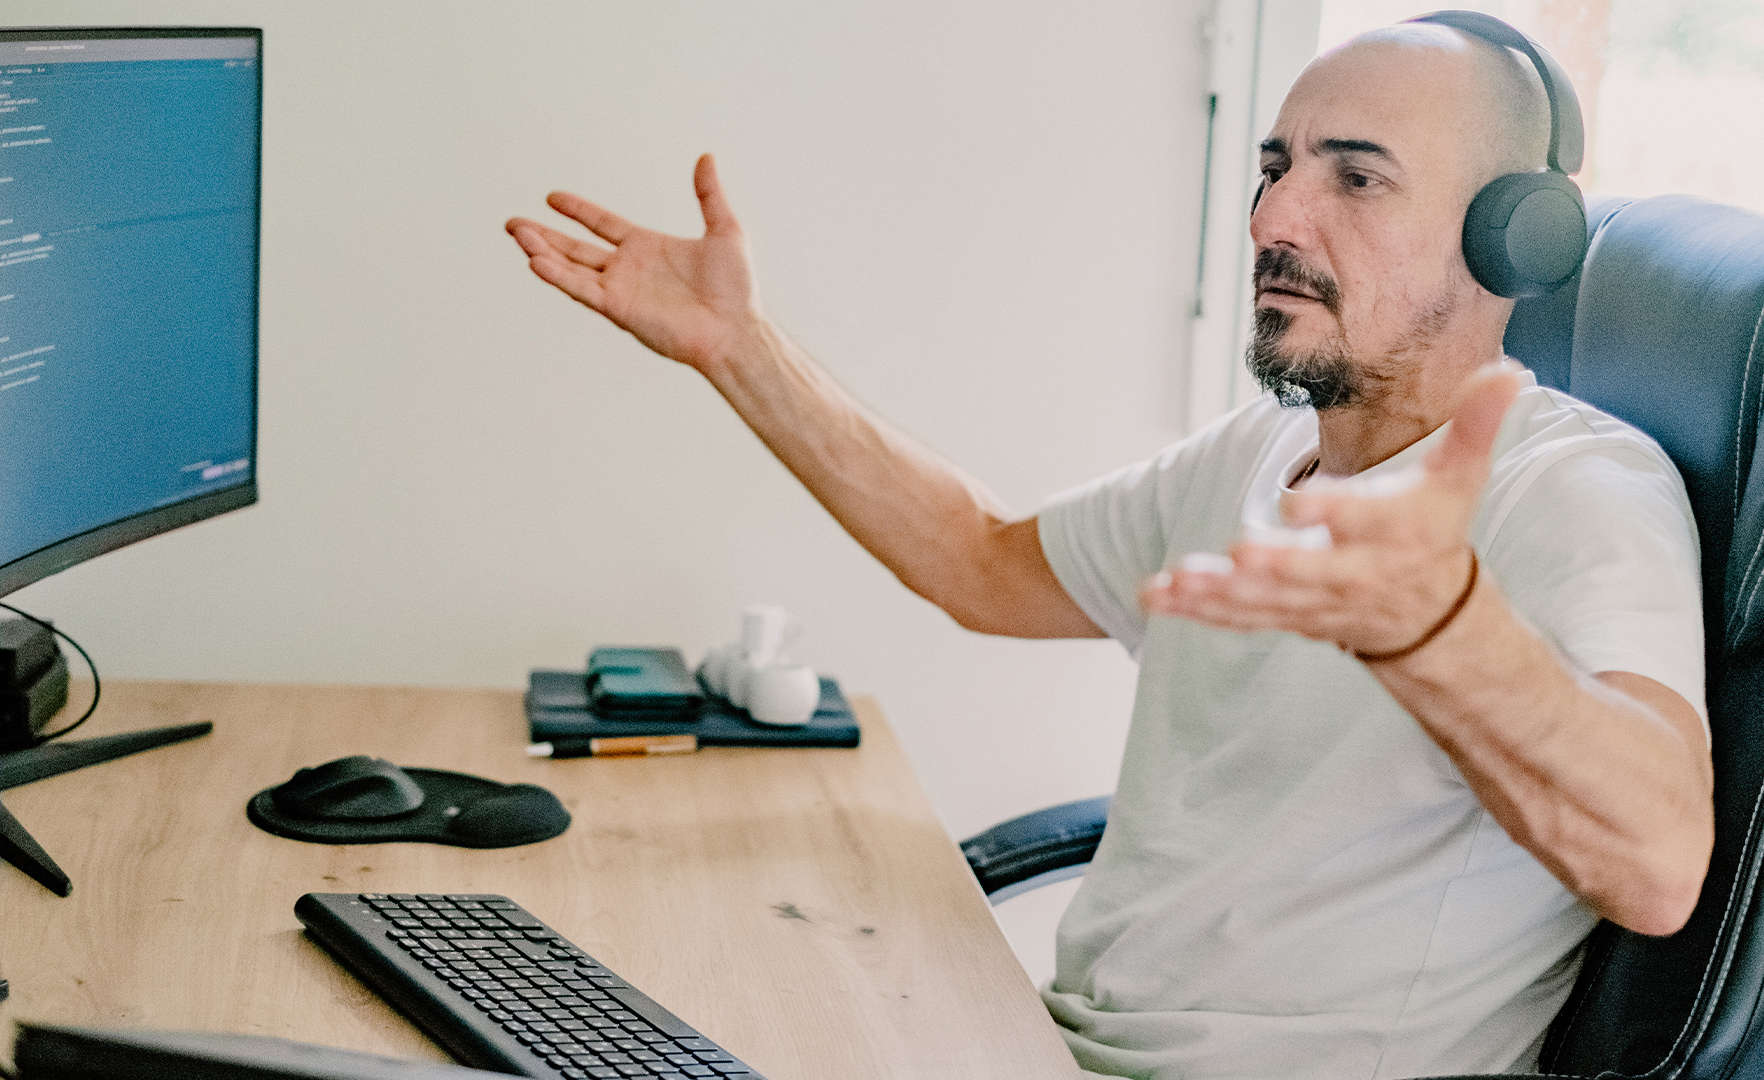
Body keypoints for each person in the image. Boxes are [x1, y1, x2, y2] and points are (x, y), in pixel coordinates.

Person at [505, 18, 1714, 1080]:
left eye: (1357, 179)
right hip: (1044, 1047)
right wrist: (740, 349)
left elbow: (1660, 868)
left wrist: (1441, 635)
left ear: (1515, 241)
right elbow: (979, 561)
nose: (1276, 220)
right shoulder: (1253, 453)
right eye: (1275, 168)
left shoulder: (1578, 490)